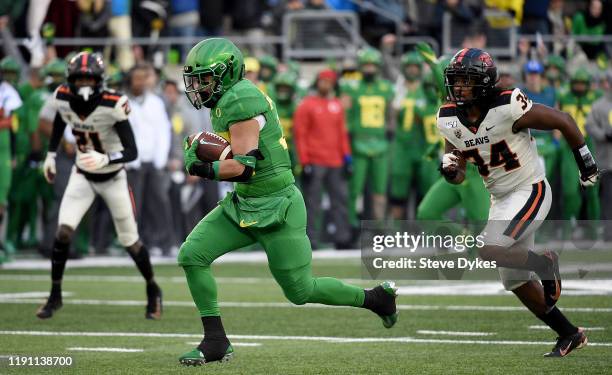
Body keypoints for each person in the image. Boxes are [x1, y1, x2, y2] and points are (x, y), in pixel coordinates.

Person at [177, 38, 398, 366]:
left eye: (206, 78)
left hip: (276, 205)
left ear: (227, 73)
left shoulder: (240, 100)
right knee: (192, 255)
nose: (199, 86)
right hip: (245, 203)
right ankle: (215, 340)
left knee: (300, 291)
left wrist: (200, 166)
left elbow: (242, 168)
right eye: (196, 79)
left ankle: (376, 299)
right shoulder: (231, 98)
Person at [438, 48, 598, 357]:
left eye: (466, 80)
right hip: (500, 199)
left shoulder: (507, 105)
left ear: (483, 82)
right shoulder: (448, 119)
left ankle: (544, 263)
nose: (458, 87)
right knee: (514, 280)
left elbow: (563, 121)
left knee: (486, 248)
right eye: (455, 80)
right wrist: (449, 170)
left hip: (530, 188)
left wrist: (586, 164)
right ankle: (569, 333)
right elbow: (456, 173)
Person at [37, 52, 162, 320]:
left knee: (130, 241)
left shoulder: (113, 103)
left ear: (99, 81)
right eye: (78, 78)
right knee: (63, 233)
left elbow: (132, 151)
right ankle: (55, 294)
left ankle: (153, 288)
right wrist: (50, 154)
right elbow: (60, 118)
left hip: (114, 177)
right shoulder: (62, 96)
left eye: (88, 78)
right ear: (70, 80)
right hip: (82, 175)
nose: (83, 84)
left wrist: (106, 158)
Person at [294, 69, 352, 249]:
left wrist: (347, 157)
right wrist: (304, 161)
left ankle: (342, 238)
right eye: (323, 81)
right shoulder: (307, 104)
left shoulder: (337, 105)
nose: (326, 84)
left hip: (336, 161)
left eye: (329, 81)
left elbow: (342, 133)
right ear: (317, 82)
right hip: (315, 160)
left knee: (340, 200)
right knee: (312, 203)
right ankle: (311, 239)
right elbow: (300, 134)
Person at [341, 47, 394, 225]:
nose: (369, 68)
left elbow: (391, 115)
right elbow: (345, 116)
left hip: (381, 144)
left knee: (380, 190)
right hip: (358, 143)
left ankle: (379, 226)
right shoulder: (351, 87)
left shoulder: (386, 87)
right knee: (355, 189)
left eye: (372, 65)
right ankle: (352, 225)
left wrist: (391, 128)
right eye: (366, 65)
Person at [586, 70, 612, 241]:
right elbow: (589, 125)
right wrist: (604, 135)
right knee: (608, 198)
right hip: (607, 160)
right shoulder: (599, 105)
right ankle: (608, 232)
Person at [0, 61, 22, 263]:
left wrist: (14, 154)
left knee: (1, 201)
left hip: (3, 149)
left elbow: (13, 125)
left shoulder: (8, 92)